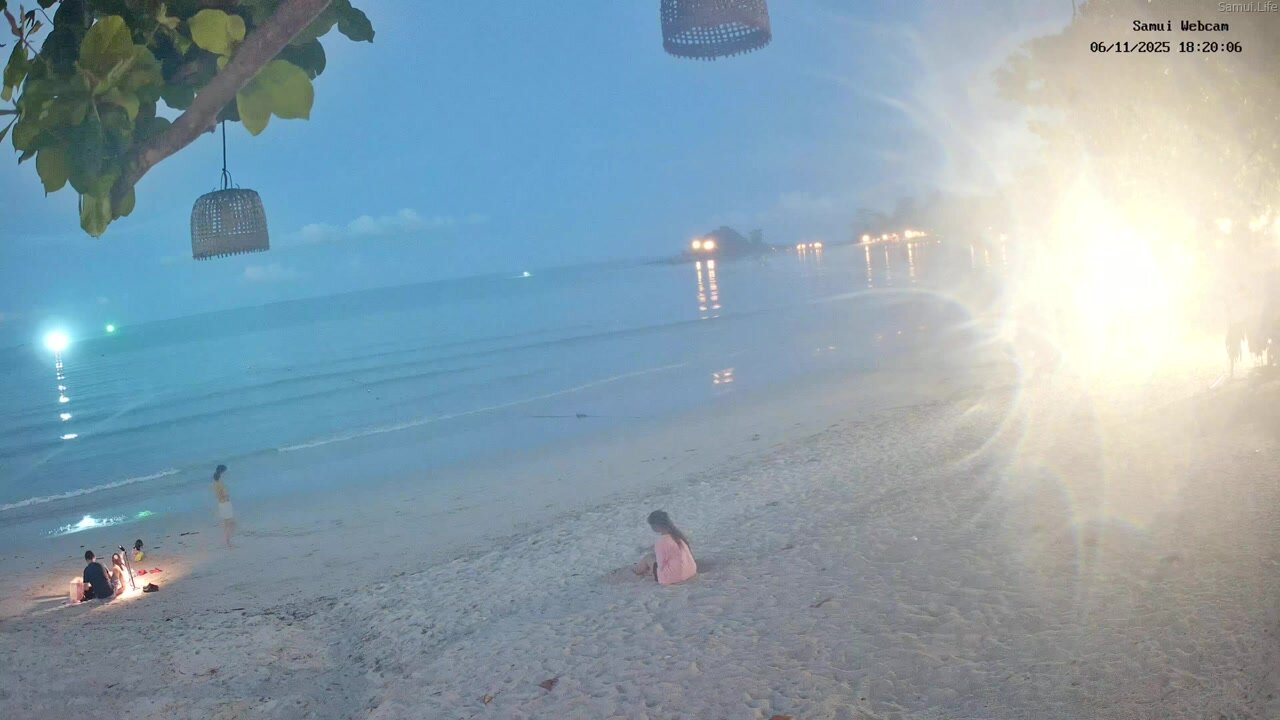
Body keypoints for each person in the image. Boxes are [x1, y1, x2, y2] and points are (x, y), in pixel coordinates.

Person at [633, 510, 697, 585]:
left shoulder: (661, 542)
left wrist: (650, 572)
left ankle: (636, 570)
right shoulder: (678, 536)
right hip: (690, 572)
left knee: (648, 558)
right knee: (654, 557)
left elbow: (661, 566)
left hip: (673, 577)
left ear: (656, 526)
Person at [212, 464, 235, 548]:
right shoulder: (219, 483)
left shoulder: (215, 483)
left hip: (222, 503)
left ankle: (228, 541)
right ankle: (228, 542)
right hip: (225, 503)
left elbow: (218, 495)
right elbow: (223, 494)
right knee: (230, 524)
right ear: (222, 472)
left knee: (227, 523)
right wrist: (226, 496)